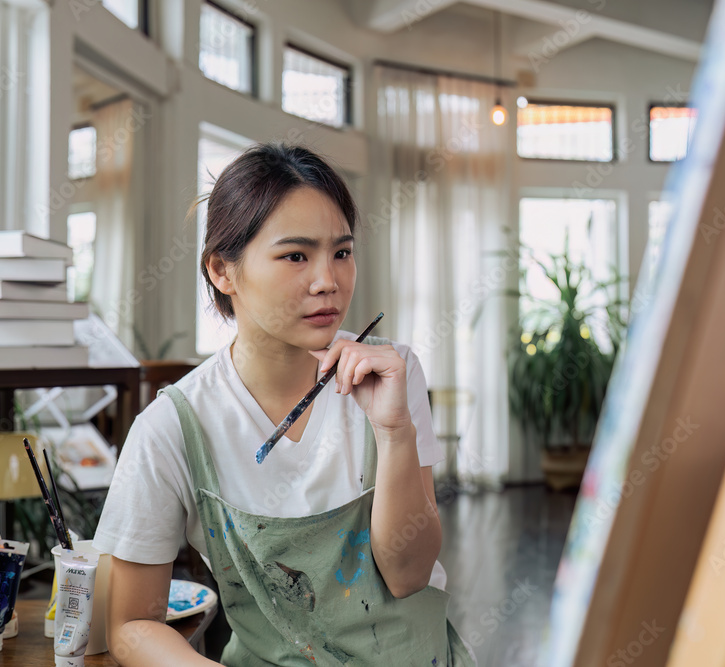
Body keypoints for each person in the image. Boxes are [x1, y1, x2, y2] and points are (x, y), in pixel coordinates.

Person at [92, 143, 475, 666]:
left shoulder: (391, 374)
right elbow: (132, 623)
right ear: (222, 271)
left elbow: (408, 574)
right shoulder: (172, 427)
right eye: (296, 256)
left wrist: (394, 431)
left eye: (342, 252)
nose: (329, 281)